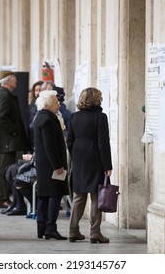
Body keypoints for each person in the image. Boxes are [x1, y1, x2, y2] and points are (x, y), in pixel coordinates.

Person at [66, 87, 113, 244]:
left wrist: (75, 154)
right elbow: (103, 143)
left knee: (79, 195)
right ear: (96, 99)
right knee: (95, 196)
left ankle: (73, 231)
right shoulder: (101, 117)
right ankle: (95, 232)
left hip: (79, 158)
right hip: (95, 157)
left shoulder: (74, 117)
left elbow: (70, 140)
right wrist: (107, 165)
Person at [33, 90, 69, 240]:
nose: (58, 104)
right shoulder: (48, 120)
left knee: (44, 195)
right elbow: (50, 146)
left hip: (43, 164)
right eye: (55, 102)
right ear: (48, 105)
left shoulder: (40, 117)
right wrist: (57, 165)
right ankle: (50, 228)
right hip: (51, 164)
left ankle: (42, 228)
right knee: (55, 195)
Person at [0, 71, 29, 208]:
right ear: (8, 81)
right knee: (6, 169)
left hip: (9, 140)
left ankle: (4, 197)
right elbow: (1, 117)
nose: (16, 81)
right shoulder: (3, 94)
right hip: (8, 140)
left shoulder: (5, 94)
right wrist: (14, 131)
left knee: (7, 168)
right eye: (14, 79)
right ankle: (2, 198)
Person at [28, 81, 43, 151]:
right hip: (33, 136)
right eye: (36, 90)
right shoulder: (32, 105)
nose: (38, 92)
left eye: (40, 90)